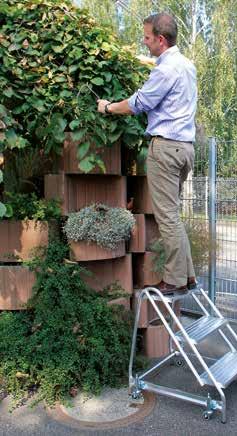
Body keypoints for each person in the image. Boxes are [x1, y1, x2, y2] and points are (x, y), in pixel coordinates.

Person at [97, 12, 197, 294]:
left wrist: (108, 107)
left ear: (161, 40)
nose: (144, 42)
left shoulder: (165, 70)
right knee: (173, 215)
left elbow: (140, 102)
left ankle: (175, 280)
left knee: (167, 218)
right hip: (185, 148)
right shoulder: (187, 66)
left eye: (147, 37)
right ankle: (187, 276)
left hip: (165, 148)